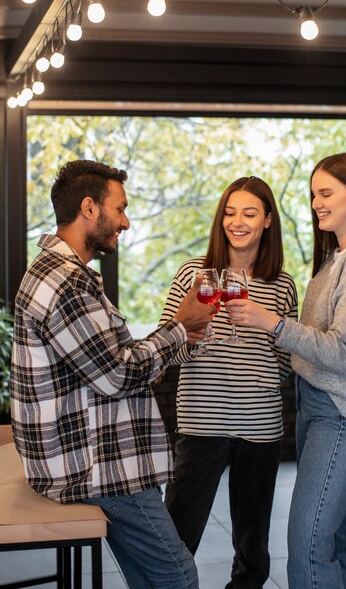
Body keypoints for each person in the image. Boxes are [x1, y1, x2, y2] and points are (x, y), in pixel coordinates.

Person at [10, 159, 216, 589]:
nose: (125, 220)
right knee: (179, 575)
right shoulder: (66, 283)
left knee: (151, 576)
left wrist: (178, 339)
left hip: (80, 454)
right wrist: (179, 325)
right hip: (92, 465)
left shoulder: (55, 271)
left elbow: (110, 361)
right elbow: (117, 375)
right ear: (89, 208)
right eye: (119, 208)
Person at [226, 153, 346, 589]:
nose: (316, 203)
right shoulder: (337, 259)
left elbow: (343, 351)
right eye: (313, 194)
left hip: (341, 416)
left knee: (307, 545)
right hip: (319, 408)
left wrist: (270, 322)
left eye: (326, 193)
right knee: (343, 542)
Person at [159, 176, 298, 589]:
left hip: (260, 427)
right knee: (176, 538)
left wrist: (266, 331)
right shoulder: (193, 274)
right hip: (203, 423)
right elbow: (167, 349)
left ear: (268, 221)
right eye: (231, 212)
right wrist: (196, 338)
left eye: (250, 213)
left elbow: (287, 364)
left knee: (253, 551)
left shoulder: (282, 285)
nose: (238, 222)